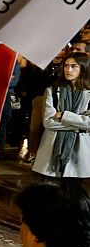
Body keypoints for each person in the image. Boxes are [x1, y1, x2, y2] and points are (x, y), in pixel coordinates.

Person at [33, 52, 90, 187]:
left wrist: (64, 116)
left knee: (72, 193)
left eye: (74, 66)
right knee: (48, 194)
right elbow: (48, 122)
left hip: (78, 152)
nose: (68, 70)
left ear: (83, 68)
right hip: (51, 150)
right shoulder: (52, 90)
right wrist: (79, 125)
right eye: (66, 66)